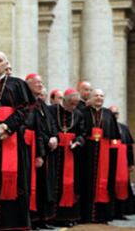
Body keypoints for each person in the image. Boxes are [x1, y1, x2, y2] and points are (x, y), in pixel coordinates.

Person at [0, 51, 34, 230]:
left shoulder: (18, 84)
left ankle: (16, 225)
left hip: (13, 138)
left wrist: (7, 126)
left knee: (17, 184)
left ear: (7, 64)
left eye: (0, 60)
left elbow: (25, 110)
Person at [80, 89, 121, 223]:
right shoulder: (83, 112)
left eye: (101, 96)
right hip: (87, 155)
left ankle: (103, 216)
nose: (99, 98)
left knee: (105, 183)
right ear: (90, 98)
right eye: (96, 95)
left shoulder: (108, 114)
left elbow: (115, 137)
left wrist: (114, 155)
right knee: (86, 183)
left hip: (106, 156)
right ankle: (86, 216)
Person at [25, 73, 58, 230]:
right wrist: (42, 147)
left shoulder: (41, 104)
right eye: (37, 83)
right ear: (28, 84)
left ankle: (44, 218)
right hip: (34, 151)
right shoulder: (28, 103)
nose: (40, 85)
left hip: (47, 151)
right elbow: (35, 129)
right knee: (35, 186)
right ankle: (34, 220)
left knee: (45, 186)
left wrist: (54, 137)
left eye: (41, 82)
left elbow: (51, 125)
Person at [49, 89, 86, 227]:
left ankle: (69, 217)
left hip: (71, 153)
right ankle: (52, 216)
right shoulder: (52, 110)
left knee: (70, 184)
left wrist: (77, 141)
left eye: (76, 104)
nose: (73, 107)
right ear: (64, 100)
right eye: (71, 103)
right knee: (53, 183)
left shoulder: (78, 114)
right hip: (54, 153)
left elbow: (82, 133)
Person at [109, 105, 135, 219]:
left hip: (122, 165)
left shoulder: (123, 128)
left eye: (116, 114)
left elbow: (129, 147)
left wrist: (131, 163)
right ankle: (111, 212)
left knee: (123, 186)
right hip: (110, 164)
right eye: (112, 114)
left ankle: (121, 212)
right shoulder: (106, 127)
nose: (115, 116)